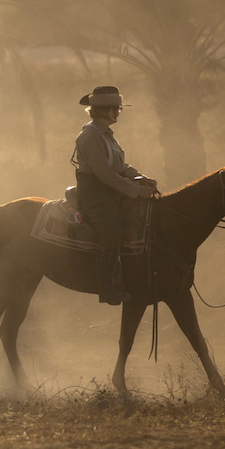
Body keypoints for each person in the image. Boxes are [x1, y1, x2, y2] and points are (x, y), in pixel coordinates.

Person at [72, 85, 157, 305]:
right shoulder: (90, 136)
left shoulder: (106, 134)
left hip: (110, 188)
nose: (118, 112)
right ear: (104, 110)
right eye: (115, 109)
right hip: (96, 194)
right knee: (111, 230)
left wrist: (141, 177)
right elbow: (105, 175)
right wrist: (137, 190)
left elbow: (121, 166)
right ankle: (106, 287)